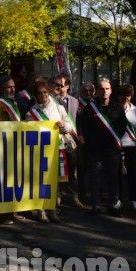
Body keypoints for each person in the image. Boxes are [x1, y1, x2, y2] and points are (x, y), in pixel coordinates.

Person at [25, 79, 74, 223]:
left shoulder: (59, 108)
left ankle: (52, 209)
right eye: (39, 93)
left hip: (57, 148)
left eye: (45, 92)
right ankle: (41, 210)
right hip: (40, 150)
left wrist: (63, 125)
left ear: (49, 92)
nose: (43, 95)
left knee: (55, 182)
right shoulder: (31, 112)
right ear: (35, 96)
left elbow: (70, 126)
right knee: (41, 181)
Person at [80, 79, 127, 217]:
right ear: (97, 91)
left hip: (112, 150)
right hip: (96, 150)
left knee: (113, 178)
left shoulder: (117, 107)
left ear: (111, 91)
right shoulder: (90, 108)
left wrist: (113, 141)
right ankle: (96, 205)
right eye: (101, 89)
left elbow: (122, 126)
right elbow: (85, 128)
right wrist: (92, 143)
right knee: (96, 178)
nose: (104, 91)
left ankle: (113, 205)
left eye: (107, 89)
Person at [0, 76, 24, 224]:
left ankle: (12, 209)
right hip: (3, 146)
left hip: (15, 145)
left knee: (13, 179)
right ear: (2, 89)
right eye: (9, 87)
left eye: (14, 87)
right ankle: (3, 213)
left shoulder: (13, 103)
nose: (12, 89)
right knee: (3, 180)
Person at [52, 73, 81, 208]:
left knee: (72, 170)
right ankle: (57, 195)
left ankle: (73, 195)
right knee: (57, 170)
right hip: (55, 140)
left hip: (70, 140)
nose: (58, 87)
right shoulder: (50, 100)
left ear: (67, 86)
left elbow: (77, 120)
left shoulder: (75, 101)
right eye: (56, 85)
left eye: (61, 85)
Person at [116, 84, 136, 212]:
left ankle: (134, 200)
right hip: (117, 146)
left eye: (128, 95)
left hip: (131, 146)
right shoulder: (113, 108)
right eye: (122, 95)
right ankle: (118, 199)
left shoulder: (135, 110)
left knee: (132, 175)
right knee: (117, 175)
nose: (125, 98)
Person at [76, 82, 96, 204]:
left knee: (96, 168)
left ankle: (96, 193)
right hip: (82, 140)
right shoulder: (77, 104)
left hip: (95, 140)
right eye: (85, 91)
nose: (88, 93)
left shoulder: (96, 104)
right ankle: (81, 192)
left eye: (90, 91)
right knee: (81, 168)